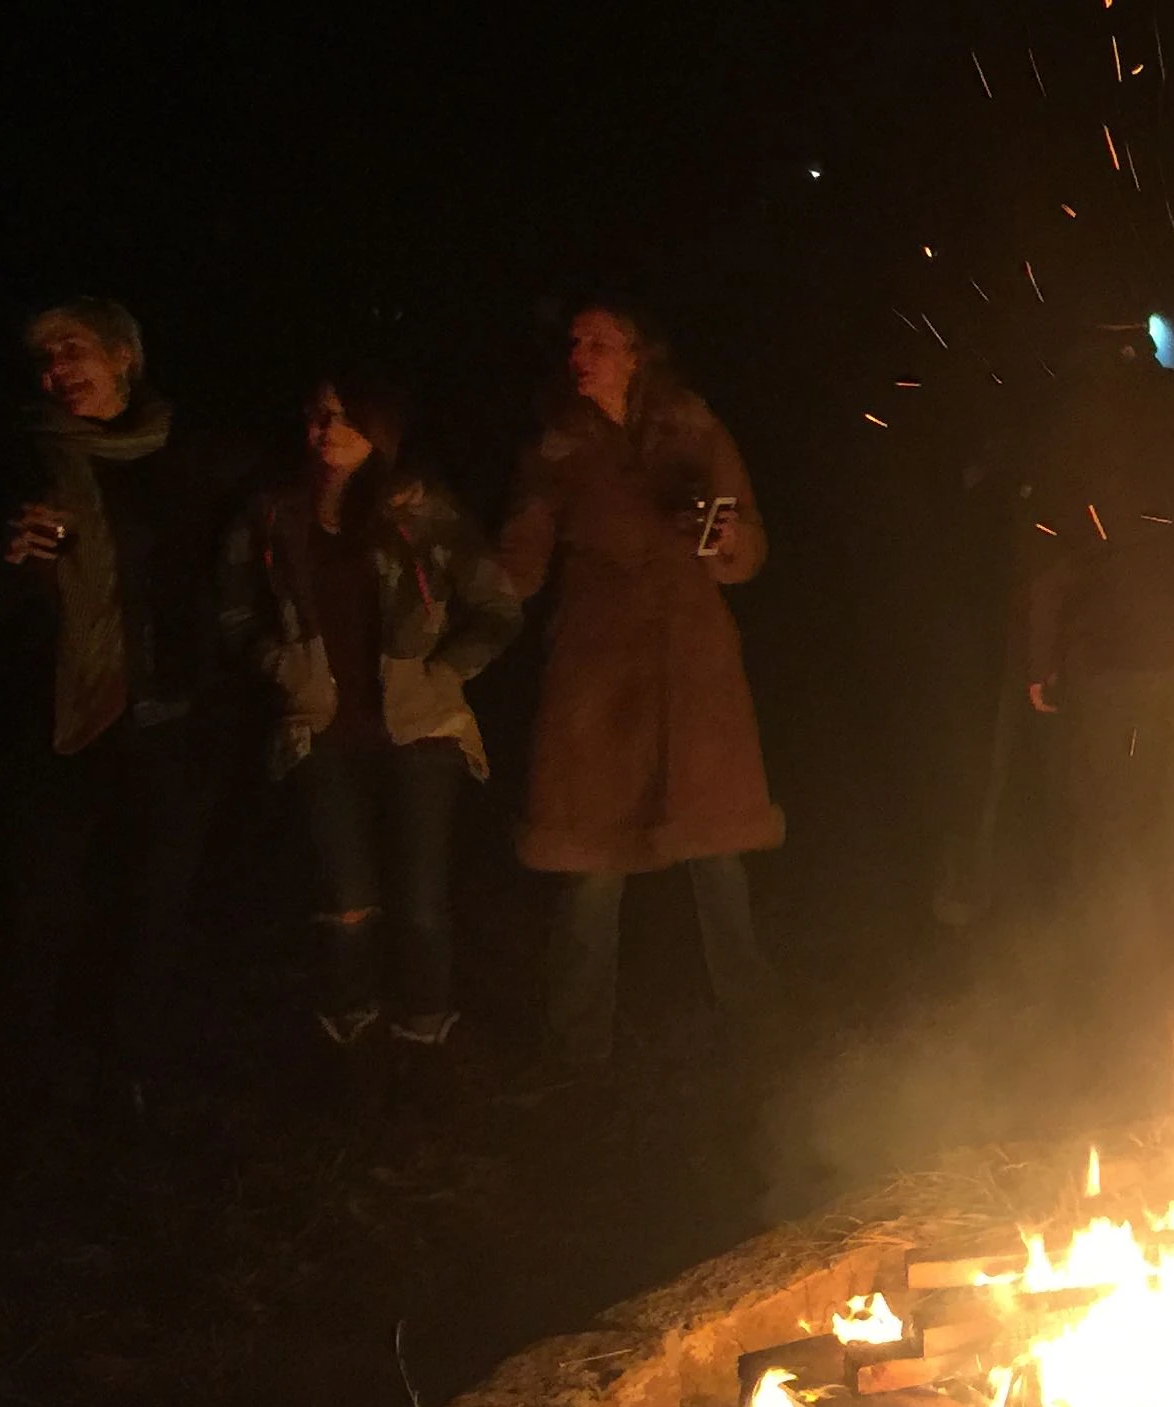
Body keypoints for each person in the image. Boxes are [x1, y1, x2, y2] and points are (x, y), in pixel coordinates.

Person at [498, 302, 780, 1066]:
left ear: (636, 355)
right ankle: (578, 1046)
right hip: (597, 679)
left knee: (718, 848)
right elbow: (518, 565)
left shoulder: (690, 427)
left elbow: (748, 540)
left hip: (694, 672)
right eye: (572, 342)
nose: (579, 355)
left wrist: (727, 542)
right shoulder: (556, 448)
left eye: (598, 342)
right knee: (591, 858)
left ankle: (751, 1029)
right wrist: (469, 566)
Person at [0, 299, 250, 1096]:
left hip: (167, 718)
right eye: (46, 361)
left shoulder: (190, 458)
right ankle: (24, 1074)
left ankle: (133, 1071)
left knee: (153, 908)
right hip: (57, 723)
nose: (58, 372)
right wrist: (7, 561)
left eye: (74, 352)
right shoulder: (21, 466)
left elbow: (259, 544)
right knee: (38, 905)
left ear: (123, 360)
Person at [217, 373, 520, 1045]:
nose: (328, 431)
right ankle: (349, 1030)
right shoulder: (273, 512)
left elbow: (497, 605)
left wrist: (443, 671)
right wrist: (278, 662)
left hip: (421, 729)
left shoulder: (418, 509)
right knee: (347, 902)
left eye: (346, 419)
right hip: (321, 730)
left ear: (380, 432)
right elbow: (233, 605)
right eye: (319, 416)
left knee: (419, 905)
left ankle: (424, 1032)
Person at [1015, 326, 1174, 1010]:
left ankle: (1131, 994)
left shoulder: (1073, 418)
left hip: (1109, 658)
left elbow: (1047, 549)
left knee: (1113, 828)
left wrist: (1040, 655)